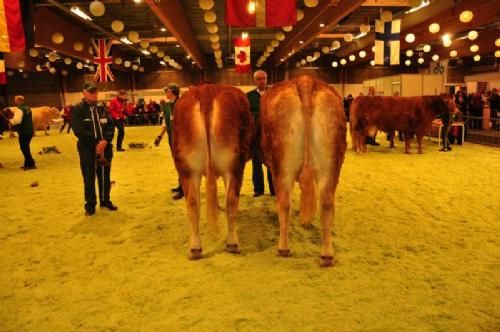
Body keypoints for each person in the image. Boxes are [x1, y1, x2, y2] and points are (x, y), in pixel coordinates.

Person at [71, 82, 117, 216]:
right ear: (84, 93)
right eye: (91, 92)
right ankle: (90, 205)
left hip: (105, 148)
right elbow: (78, 130)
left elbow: (110, 126)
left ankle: (105, 200)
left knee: (104, 176)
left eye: (95, 92)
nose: (94, 94)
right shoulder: (78, 110)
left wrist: (105, 141)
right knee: (89, 177)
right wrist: (95, 143)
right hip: (87, 149)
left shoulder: (102, 108)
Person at [247, 70, 274, 197]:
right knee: (256, 163)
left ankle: (274, 190)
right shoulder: (249, 96)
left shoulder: (273, 94)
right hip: (256, 136)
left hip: (271, 136)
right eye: (259, 79)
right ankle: (258, 190)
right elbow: (247, 114)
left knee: (272, 164)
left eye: (264, 78)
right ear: (255, 80)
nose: (262, 81)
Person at [154, 83, 184, 200]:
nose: (165, 93)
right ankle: (181, 184)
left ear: (172, 92)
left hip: (182, 140)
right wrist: (159, 137)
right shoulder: (166, 106)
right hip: (172, 139)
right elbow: (166, 123)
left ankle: (184, 188)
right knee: (177, 163)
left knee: (182, 164)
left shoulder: (182, 104)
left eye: (167, 91)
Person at [11, 96, 36, 170]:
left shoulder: (19, 109)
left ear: (18, 101)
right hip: (30, 130)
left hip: (23, 131)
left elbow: (17, 121)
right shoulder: (28, 108)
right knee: (26, 147)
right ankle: (27, 164)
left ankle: (31, 164)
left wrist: (11, 121)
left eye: (15, 100)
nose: (14, 101)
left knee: (24, 148)